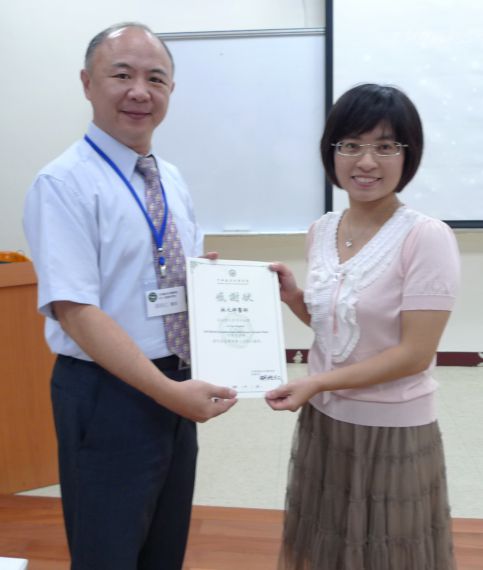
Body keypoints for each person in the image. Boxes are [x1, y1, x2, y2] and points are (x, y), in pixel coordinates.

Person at [23, 22, 237, 570]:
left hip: (175, 379)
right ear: (87, 83)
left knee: (163, 548)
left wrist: (210, 285)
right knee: (107, 553)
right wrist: (169, 393)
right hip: (106, 391)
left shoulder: (170, 178)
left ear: (170, 90)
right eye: (122, 75)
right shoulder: (64, 183)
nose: (140, 91)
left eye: (155, 79)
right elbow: (76, 311)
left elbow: (163, 273)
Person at [266, 83, 460, 570]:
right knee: (328, 548)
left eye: (385, 146)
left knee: (388, 554)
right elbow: (336, 327)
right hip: (325, 420)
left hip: (390, 429)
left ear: (407, 155)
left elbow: (414, 354)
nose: (366, 161)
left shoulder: (427, 237)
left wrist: (317, 382)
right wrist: (294, 298)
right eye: (351, 145)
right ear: (331, 152)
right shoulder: (322, 230)